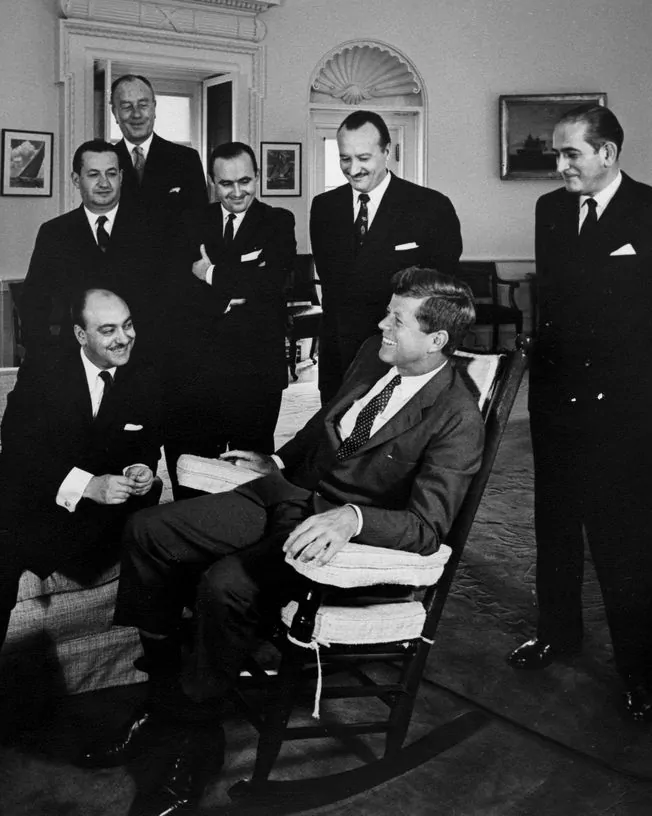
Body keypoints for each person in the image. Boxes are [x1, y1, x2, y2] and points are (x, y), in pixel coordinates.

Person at [82, 267, 484, 814]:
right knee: (149, 530)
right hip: (285, 492)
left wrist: (352, 519)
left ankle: (195, 736)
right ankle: (167, 698)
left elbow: (427, 526)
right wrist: (273, 460)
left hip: (324, 529)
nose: (381, 323)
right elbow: (330, 420)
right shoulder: (374, 353)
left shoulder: (456, 415)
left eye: (397, 318)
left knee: (226, 585)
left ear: (436, 339)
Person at [0, 289, 163, 816]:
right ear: (80, 336)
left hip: (80, 524)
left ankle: (163, 714)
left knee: (158, 534)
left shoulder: (142, 373)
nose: (123, 338)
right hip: (20, 503)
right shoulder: (44, 370)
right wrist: (87, 484)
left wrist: (141, 475)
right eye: (108, 330)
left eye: (128, 325)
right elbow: (22, 451)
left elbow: (142, 447)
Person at [507, 104, 652, 723]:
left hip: (621, 406)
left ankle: (639, 671)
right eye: (557, 155)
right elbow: (556, 304)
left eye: (571, 155)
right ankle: (557, 634)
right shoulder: (551, 211)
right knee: (555, 527)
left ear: (607, 153)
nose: (560, 167)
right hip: (557, 401)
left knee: (625, 541)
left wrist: (633, 366)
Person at [164, 142, 296, 486]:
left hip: (256, 373)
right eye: (226, 184)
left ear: (257, 178)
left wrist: (209, 275)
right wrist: (228, 295)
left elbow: (273, 282)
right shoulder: (190, 221)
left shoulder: (279, 221)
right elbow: (175, 288)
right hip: (199, 371)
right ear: (212, 182)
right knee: (194, 471)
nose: (237, 192)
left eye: (245, 181)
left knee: (249, 473)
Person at [310, 109, 463, 403]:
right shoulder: (324, 208)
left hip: (401, 361)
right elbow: (332, 285)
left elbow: (441, 297)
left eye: (363, 158)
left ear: (387, 152)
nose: (353, 169)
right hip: (339, 360)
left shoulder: (432, 207)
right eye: (345, 158)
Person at [20, 139, 164, 362]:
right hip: (74, 361)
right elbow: (34, 302)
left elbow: (167, 301)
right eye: (94, 174)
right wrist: (44, 355)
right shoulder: (54, 233)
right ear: (76, 180)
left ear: (122, 177)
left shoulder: (153, 230)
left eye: (111, 173)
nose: (104, 183)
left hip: (142, 360)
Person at [110, 74, 207, 225]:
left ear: (154, 109)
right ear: (115, 113)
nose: (136, 114)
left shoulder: (186, 158)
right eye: (126, 106)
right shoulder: (106, 161)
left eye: (143, 105)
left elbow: (200, 221)